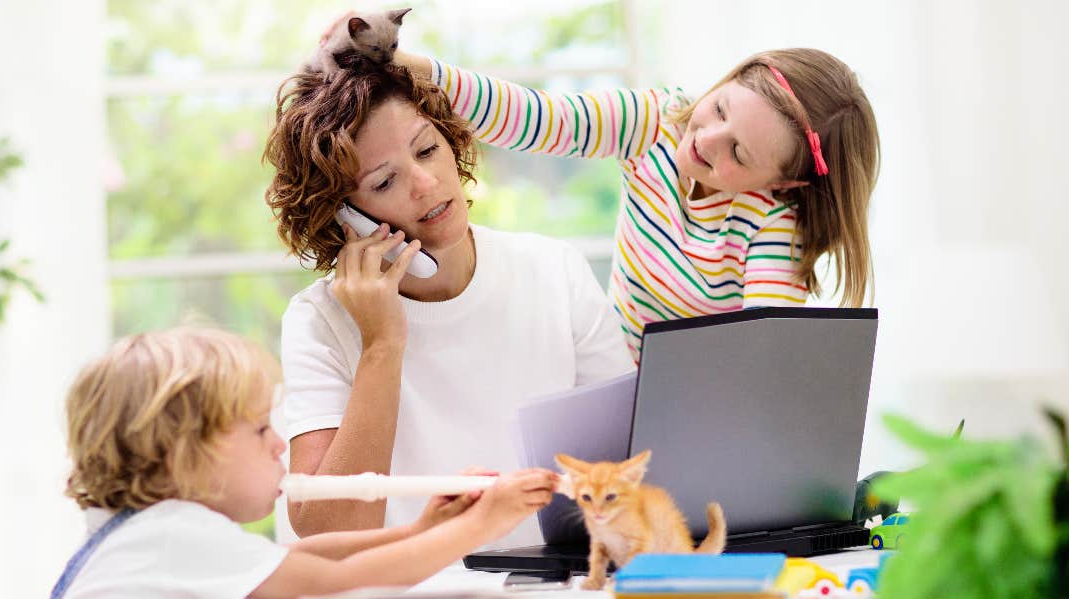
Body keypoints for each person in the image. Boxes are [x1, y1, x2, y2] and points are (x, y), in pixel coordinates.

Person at [261, 57, 634, 545]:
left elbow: (633, 464)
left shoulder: (553, 270)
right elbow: (328, 533)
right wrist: (381, 344)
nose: (425, 182)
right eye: (384, 182)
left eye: (426, 149)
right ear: (342, 218)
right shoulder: (319, 321)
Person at [388, 46, 880, 359]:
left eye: (738, 152)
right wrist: (418, 68)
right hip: (607, 371)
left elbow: (762, 354)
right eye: (720, 109)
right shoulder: (656, 122)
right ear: (728, 78)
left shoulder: (772, 223)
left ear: (783, 183)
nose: (706, 139)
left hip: (692, 405)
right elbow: (538, 119)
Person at [55, 327, 559, 598]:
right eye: (258, 429)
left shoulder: (152, 533)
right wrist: (483, 526)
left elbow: (307, 560)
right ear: (183, 455)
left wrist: (422, 529)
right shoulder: (170, 537)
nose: (279, 443)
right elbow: (341, 586)